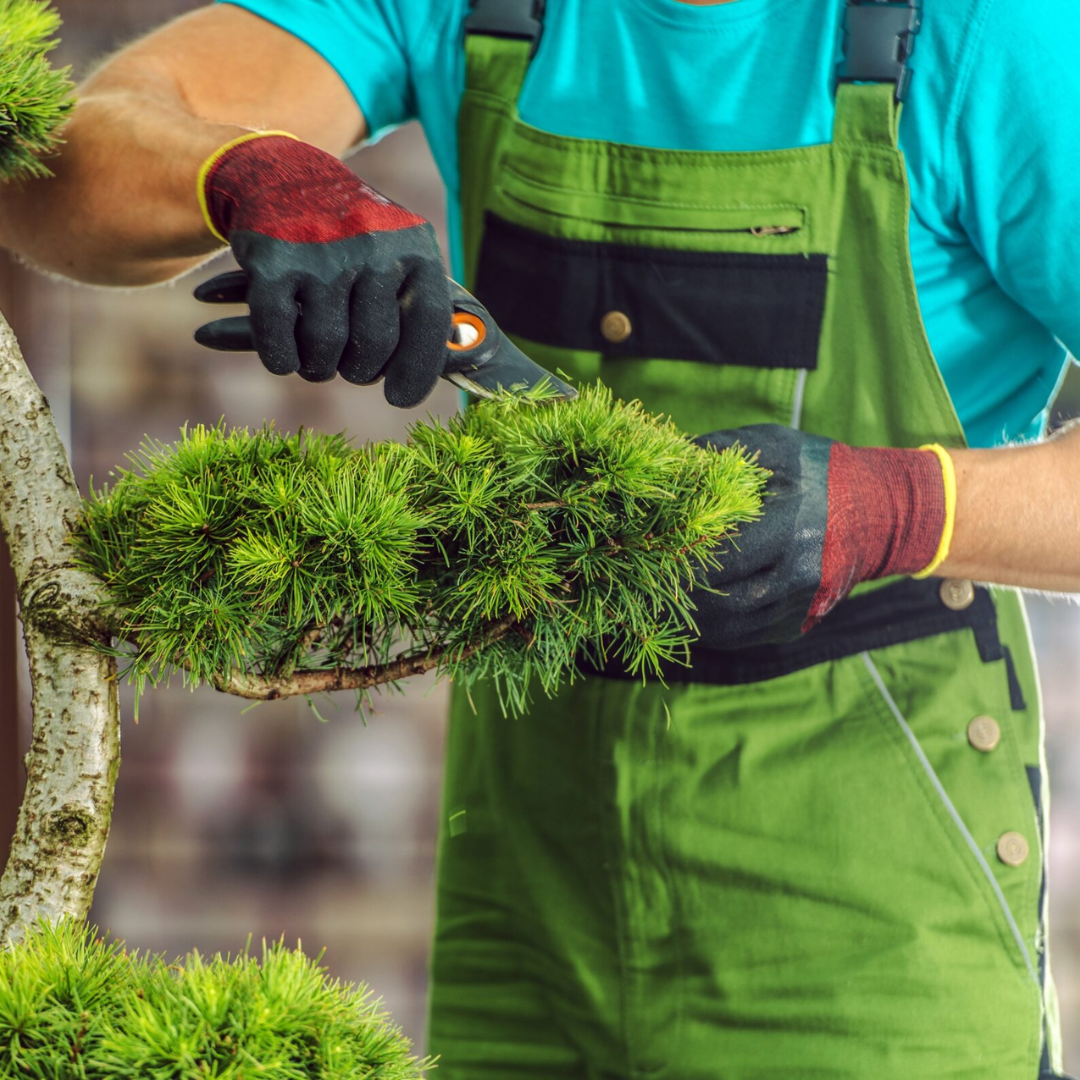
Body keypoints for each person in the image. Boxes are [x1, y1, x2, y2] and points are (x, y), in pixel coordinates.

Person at [2, 0, 1079, 1075]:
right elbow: (50, 173)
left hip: (873, 888)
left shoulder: (988, 36)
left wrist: (893, 510)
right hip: (531, 888)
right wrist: (246, 171)